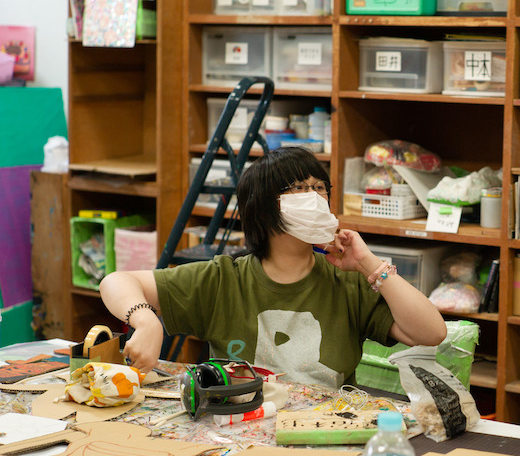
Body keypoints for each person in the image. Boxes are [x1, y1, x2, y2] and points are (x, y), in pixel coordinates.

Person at [100, 146, 446, 388]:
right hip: (240, 429)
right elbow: (117, 281)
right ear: (263, 208)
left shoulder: (348, 281)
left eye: (319, 188)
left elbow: (431, 333)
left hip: (327, 434)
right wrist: (145, 321)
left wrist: (368, 263)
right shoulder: (223, 280)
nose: (313, 197)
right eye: (298, 189)